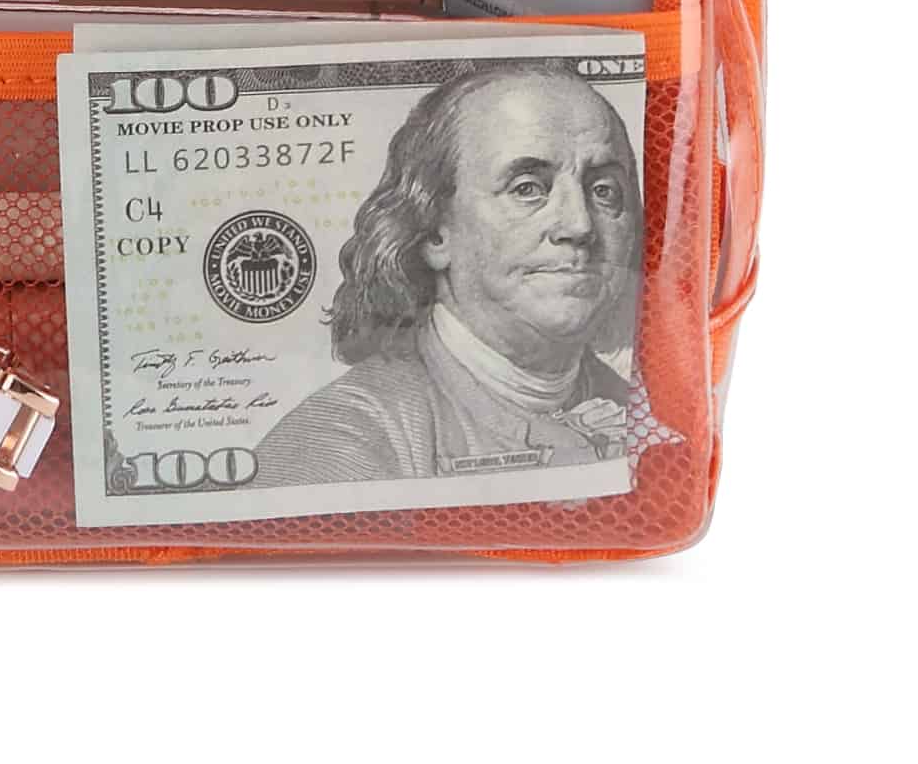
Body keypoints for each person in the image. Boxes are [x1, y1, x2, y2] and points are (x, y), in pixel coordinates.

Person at [256, 63, 647, 486]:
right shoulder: (339, 445)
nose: (580, 225)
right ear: (435, 231)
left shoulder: (651, 413)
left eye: (604, 190)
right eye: (527, 188)